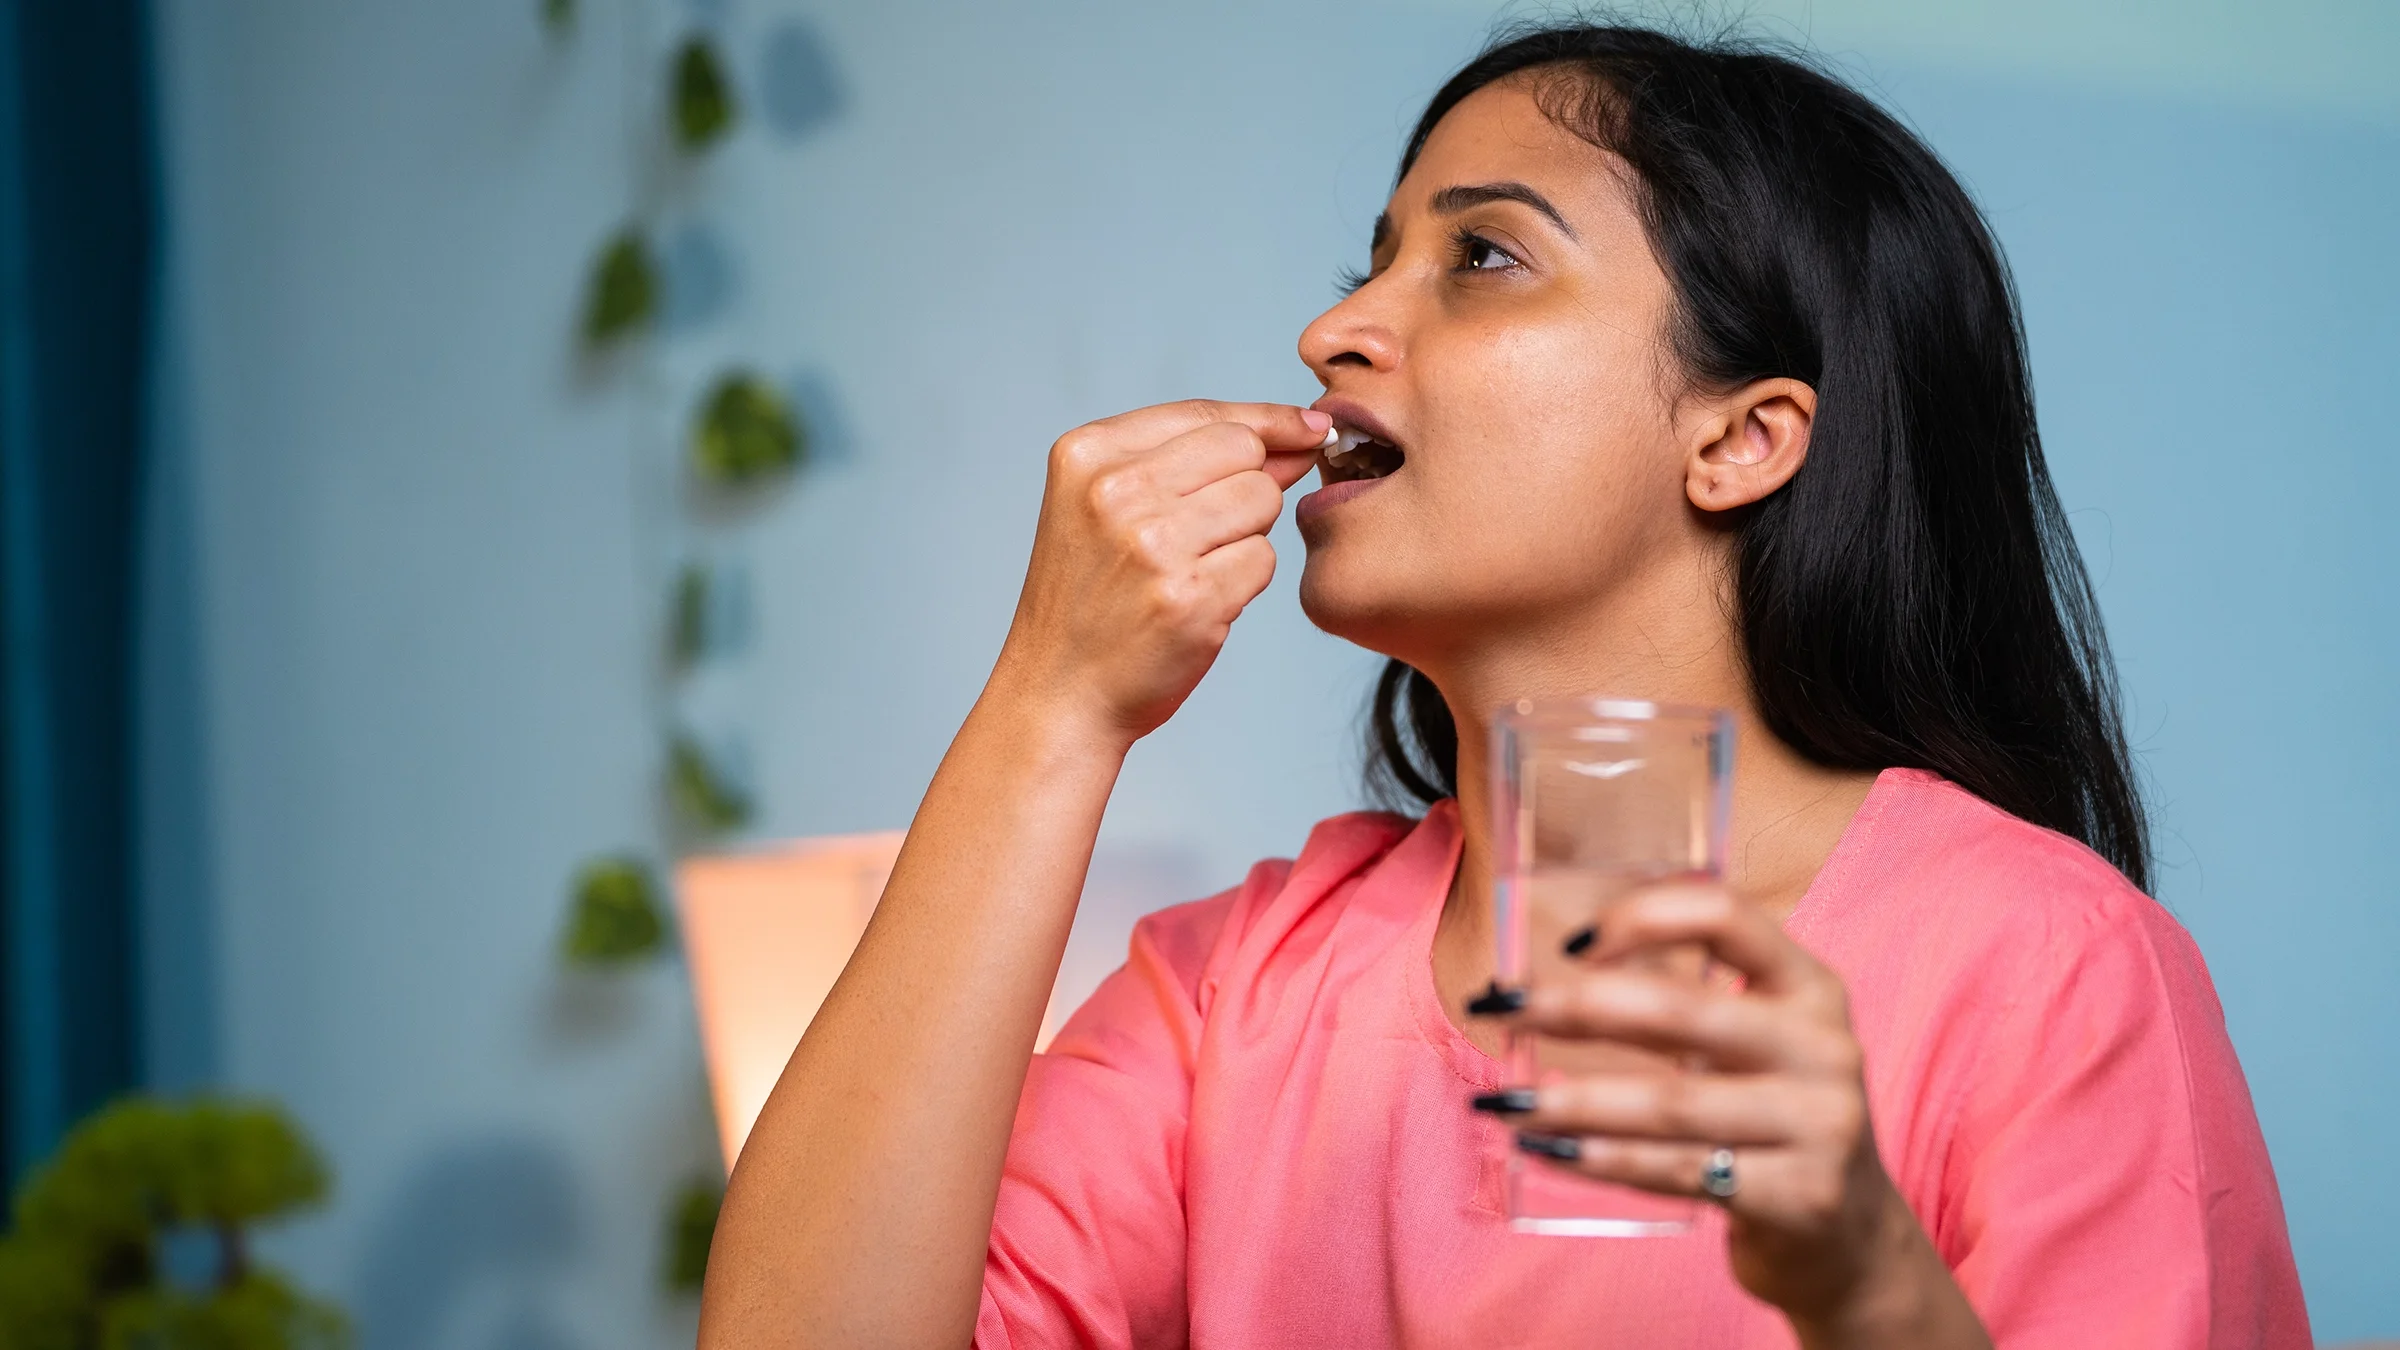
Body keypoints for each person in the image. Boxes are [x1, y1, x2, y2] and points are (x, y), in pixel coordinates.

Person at [699, 21, 2308, 1350]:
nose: (1333, 329)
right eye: (1373, 258)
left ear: (1740, 437)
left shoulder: (2048, 971)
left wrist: (1866, 1283)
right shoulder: (1229, 999)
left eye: (1482, 255)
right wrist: (1051, 704)